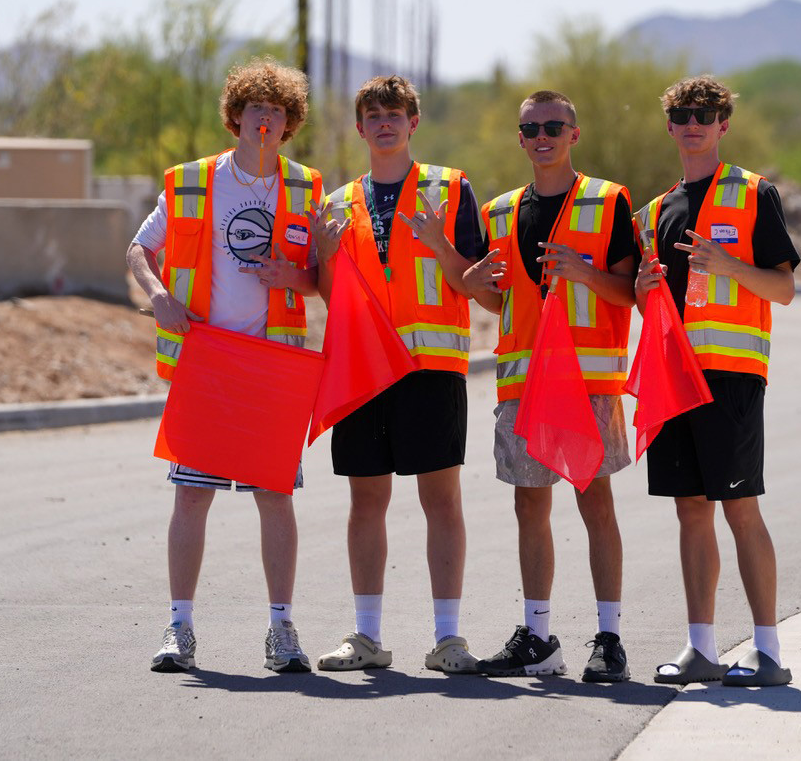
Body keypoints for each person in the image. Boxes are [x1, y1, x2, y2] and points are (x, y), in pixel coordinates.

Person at [127, 57, 321, 674]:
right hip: (205, 360)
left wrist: (298, 275)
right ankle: (179, 628)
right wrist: (158, 297)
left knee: (274, 498)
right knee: (190, 499)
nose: (266, 118)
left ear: (288, 124)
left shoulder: (305, 187)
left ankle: (282, 631)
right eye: (255, 108)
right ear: (235, 117)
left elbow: (325, 277)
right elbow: (139, 248)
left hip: (274, 365)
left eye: (278, 111)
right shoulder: (192, 181)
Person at [311, 75, 486, 675]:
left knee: (441, 500)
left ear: (414, 122)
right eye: (373, 115)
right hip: (363, 370)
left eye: (395, 113)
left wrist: (440, 243)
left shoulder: (450, 188)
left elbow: (476, 283)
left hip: (431, 369)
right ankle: (366, 637)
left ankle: (448, 639)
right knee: (367, 500)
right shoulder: (334, 204)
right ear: (359, 128)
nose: (384, 123)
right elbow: (332, 296)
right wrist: (324, 260)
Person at [463, 90, 639, 681]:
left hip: (588, 379)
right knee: (528, 503)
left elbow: (630, 293)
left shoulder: (608, 201)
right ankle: (538, 637)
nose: (542, 136)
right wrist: (463, 276)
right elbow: (498, 296)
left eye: (553, 126)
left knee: (595, 503)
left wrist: (584, 272)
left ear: (574, 133)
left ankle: (609, 639)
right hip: (523, 381)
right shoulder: (499, 211)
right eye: (531, 128)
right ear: (520, 138)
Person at [634, 75, 799, 687]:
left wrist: (730, 265)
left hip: (730, 377)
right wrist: (640, 292)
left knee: (740, 509)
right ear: (670, 125)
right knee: (690, 511)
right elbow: (643, 299)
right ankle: (700, 648)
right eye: (682, 113)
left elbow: (783, 288)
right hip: (672, 378)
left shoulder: (755, 194)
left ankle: (769, 651)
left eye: (706, 113)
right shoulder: (652, 213)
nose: (694, 122)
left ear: (723, 123)